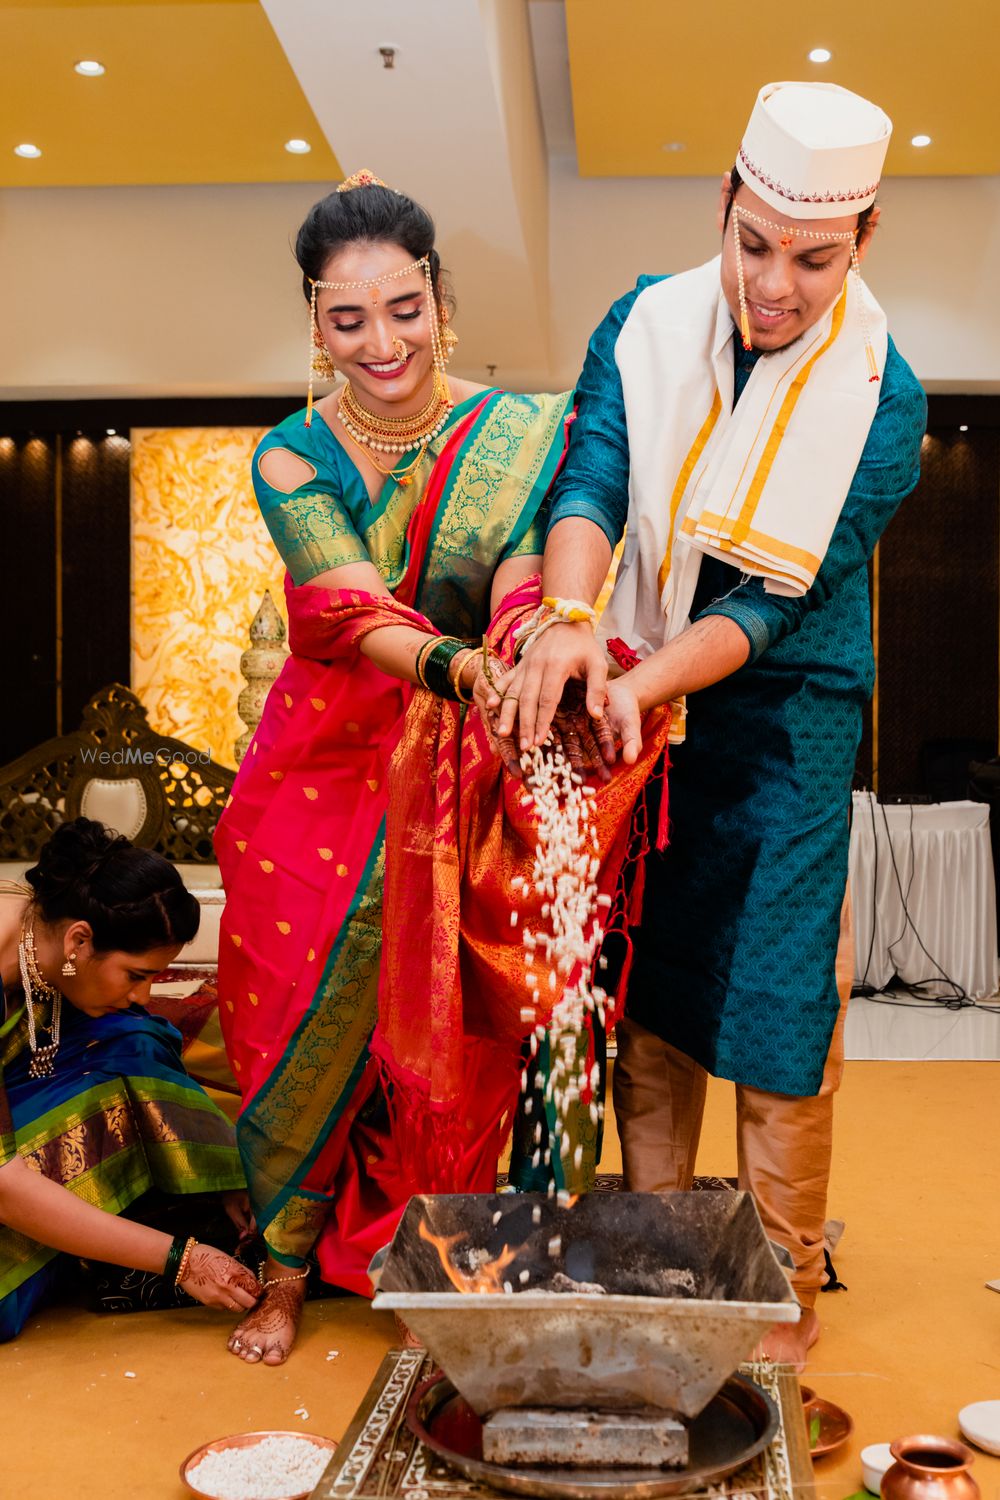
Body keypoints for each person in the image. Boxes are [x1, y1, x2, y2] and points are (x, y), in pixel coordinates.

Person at [486, 82, 927, 1368]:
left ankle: (779, 1292)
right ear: (724, 205)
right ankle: (655, 1242)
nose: (772, 285)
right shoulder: (645, 321)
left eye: (811, 258)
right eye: (752, 243)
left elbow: (773, 604)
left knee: (781, 993)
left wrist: (640, 686)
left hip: (785, 712)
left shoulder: (880, 399)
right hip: (636, 677)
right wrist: (571, 619)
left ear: (864, 239)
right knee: (653, 973)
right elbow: (594, 473)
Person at [215, 170, 667, 1366]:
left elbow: (526, 573)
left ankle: (483, 1242)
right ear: (315, 324)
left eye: (403, 309)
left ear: (441, 302)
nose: (382, 342)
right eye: (347, 319)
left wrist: (528, 650)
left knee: (479, 1014)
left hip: (473, 770)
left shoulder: (516, 433)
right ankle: (283, 1270)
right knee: (285, 1013)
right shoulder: (288, 457)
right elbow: (352, 609)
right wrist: (472, 670)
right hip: (323, 769)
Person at [0, 817, 258, 1341]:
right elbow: (4, 1186)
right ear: (79, 940)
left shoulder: (43, 940)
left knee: (131, 1040)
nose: (143, 994)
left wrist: (230, 1171)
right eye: (136, 975)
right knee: (107, 1086)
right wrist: (179, 1260)